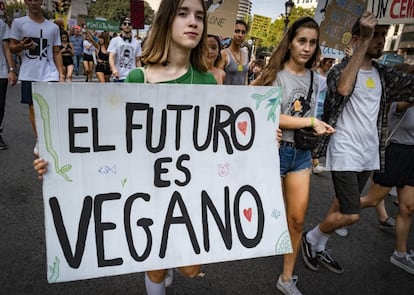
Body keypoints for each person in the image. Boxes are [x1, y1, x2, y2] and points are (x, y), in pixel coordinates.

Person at [35, 0, 216, 294]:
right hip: (148, 189)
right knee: (155, 265)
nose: (193, 22)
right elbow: (110, 139)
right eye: (183, 14)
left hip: (189, 188)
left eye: (199, 16)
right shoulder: (138, 78)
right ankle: (157, 274)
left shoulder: (209, 82)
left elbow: (218, 139)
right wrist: (55, 161)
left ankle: (168, 265)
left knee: (191, 268)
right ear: (167, 21)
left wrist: (257, 143)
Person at [301, 12, 414, 275]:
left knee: (341, 206)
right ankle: (311, 237)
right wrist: (362, 42)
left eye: (383, 36)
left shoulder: (384, 74)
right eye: (376, 35)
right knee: (351, 214)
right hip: (344, 150)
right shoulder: (340, 69)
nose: (381, 40)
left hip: (369, 153)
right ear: (358, 38)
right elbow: (342, 89)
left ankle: (319, 245)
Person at [252, 17, 335, 295]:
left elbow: (344, 89)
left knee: (297, 220)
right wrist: (310, 122)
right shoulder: (273, 74)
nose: (307, 48)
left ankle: (286, 278)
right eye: (302, 41)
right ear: (290, 42)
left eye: (312, 42)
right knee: (266, 215)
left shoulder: (316, 79)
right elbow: (257, 108)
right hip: (274, 153)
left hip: (300, 155)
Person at [359, 63, 414, 274]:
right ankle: (337, 215)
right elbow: (405, 103)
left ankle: (400, 254)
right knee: (372, 200)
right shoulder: (399, 103)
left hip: (412, 155)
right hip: (395, 152)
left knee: (407, 208)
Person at [9, 0, 64, 149]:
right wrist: (21, 46)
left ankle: (51, 136)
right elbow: (11, 47)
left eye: (36, 0)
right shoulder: (19, 23)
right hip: (29, 72)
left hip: (49, 72)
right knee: (33, 108)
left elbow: (56, 51)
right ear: (26, 2)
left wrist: (61, 75)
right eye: (30, 0)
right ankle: (40, 139)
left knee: (51, 106)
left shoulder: (53, 27)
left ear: (41, 2)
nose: (33, 3)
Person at [311, 57, 334, 174]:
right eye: (330, 62)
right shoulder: (314, 72)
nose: (331, 65)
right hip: (313, 106)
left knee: (317, 135)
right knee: (312, 134)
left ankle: (313, 161)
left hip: (322, 107)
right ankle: (314, 163)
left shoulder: (329, 75)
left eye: (333, 62)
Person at [0, 17, 17, 150]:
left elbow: (7, 49)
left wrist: (11, 70)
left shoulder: (2, 25)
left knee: (0, 106)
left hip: (1, 71)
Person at [108, 16, 141, 82]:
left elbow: (138, 60)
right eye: (125, 24)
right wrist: (114, 69)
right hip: (119, 76)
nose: (127, 25)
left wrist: (140, 72)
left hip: (132, 76)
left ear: (131, 27)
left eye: (129, 24)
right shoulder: (115, 40)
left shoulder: (137, 43)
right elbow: (111, 57)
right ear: (121, 26)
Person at [221, 20, 249, 85]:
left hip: (241, 94)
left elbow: (245, 79)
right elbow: (218, 80)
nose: (240, 35)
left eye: (243, 32)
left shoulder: (246, 53)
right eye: (237, 31)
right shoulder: (224, 54)